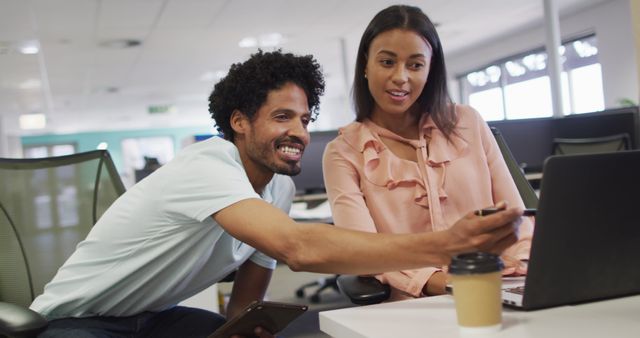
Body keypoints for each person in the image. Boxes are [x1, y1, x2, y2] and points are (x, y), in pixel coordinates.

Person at [31, 50, 523, 338]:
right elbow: (298, 249)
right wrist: (446, 244)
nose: (301, 132)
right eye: (282, 117)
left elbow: (247, 299)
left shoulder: (278, 189)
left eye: (305, 119)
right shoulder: (210, 163)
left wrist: (245, 328)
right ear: (239, 124)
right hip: (80, 324)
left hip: (153, 320)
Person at [323, 5, 534, 300]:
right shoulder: (343, 152)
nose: (401, 77)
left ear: (430, 69)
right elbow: (364, 250)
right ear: (365, 66)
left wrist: (522, 267)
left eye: (415, 65)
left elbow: (517, 219)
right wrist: (446, 283)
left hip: (499, 284)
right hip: (414, 301)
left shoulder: (468, 123)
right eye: (387, 62)